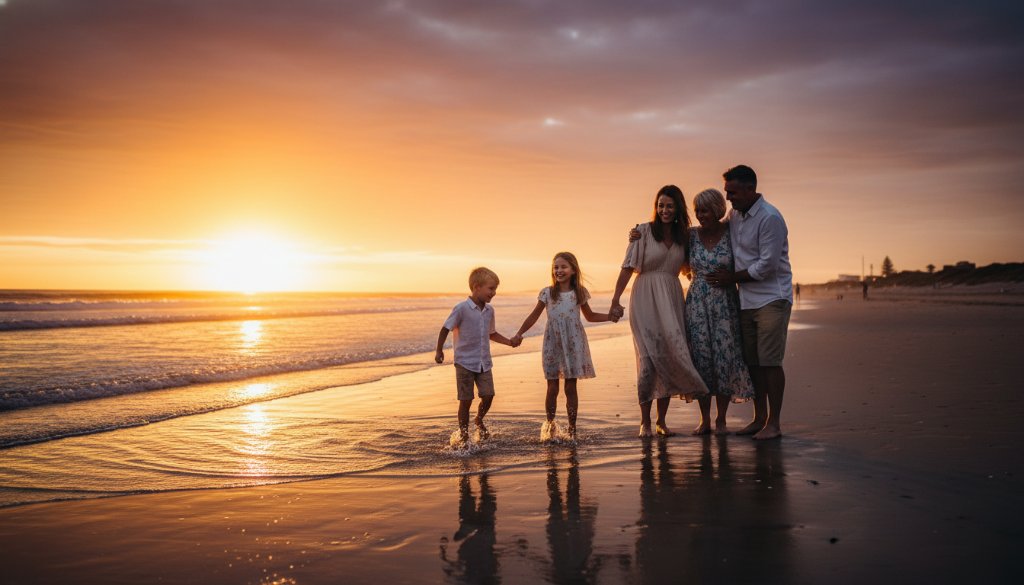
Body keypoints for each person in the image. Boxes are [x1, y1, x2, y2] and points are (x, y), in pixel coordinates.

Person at [610, 185, 709, 438]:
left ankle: (661, 422)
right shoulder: (642, 232)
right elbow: (627, 267)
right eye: (660, 205)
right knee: (647, 361)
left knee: (667, 355)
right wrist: (615, 299)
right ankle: (645, 421)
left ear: (678, 209)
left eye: (670, 206)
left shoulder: (684, 237)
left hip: (672, 297)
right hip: (644, 298)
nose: (664, 210)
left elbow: (692, 264)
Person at [707, 165, 793, 440]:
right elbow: (711, 229)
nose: (728, 198)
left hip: (772, 298)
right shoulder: (735, 215)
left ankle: (775, 423)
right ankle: (759, 418)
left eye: (732, 192)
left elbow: (766, 266)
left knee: (770, 362)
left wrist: (730, 277)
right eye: (727, 192)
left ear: (749, 189)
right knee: (753, 362)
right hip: (745, 300)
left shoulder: (769, 218)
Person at [512, 252, 618, 440]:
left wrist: (609, 316)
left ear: (573, 270)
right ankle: (550, 427)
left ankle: (572, 429)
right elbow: (534, 315)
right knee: (552, 387)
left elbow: (590, 316)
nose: (559, 270)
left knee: (570, 388)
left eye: (563, 267)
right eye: (555, 267)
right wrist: (520, 333)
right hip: (553, 342)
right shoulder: (547, 292)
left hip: (573, 343)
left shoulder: (579, 292)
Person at [685, 189, 755, 435]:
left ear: (717, 210)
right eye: (697, 211)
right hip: (697, 305)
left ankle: (721, 419)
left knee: (725, 358)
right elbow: (663, 238)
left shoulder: (731, 232)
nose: (700, 216)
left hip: (725, 303)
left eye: (704, 210)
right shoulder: (690, 236)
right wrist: (636, 234)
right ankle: (705, 419)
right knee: (702, 359)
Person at [435, 267, 517, 445]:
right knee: (466, 400)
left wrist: (509, 342)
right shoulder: (461, 309)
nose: (494, 293)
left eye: (495, 289)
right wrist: (439, 350)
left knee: (488, 395)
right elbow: (445, 328)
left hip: (484, 362)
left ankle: (479, 419)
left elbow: (492, 333)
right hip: (464, 362)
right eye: (491, 288)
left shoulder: (489, 311)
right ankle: (464, 434)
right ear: (476, 287)